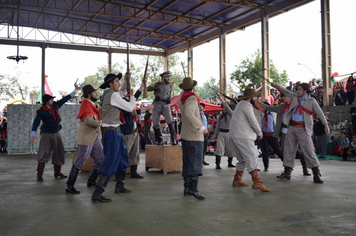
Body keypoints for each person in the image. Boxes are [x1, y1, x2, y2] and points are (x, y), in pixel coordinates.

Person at [270, 82, 330, 184]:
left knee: (309, 151)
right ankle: (287, 172)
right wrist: (277, 86)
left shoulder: (312, 101)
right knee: (288, 150)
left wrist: (326, 124)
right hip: (292, 127)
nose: (298, 91)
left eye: (300, 89)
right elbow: (285, 91)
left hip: (303, 129)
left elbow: (319, 112)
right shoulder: (295, 97)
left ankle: (316, 174)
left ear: (305, 91)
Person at [91, 72, 136, 203]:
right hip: (111, 132)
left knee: (123, 159)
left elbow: (122, 92)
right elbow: (129, 107)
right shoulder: (112, 95)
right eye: (117, 81)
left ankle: (120, 186)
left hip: (115, 131)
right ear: (110, 84)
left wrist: (128, 80)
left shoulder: (109, 94)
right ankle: (97, 193)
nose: (119, 83)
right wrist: (132, 97)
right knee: (111, 161)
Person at [30, 86, 79, 182]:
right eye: (51, 100)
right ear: (47, 101)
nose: (52, 101)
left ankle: (57, 172)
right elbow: (36, 122)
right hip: (46, 133)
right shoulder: (41, 111)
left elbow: (65, 99)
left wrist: (75, 91)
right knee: (43, 153)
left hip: (56, 132)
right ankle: (39, 174)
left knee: (59, 151)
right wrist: (33, 133)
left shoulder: (55, 106)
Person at [256, 94, 311, 176]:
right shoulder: (281, 107)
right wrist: (256, 102)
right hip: (284, 131)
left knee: (301, 151)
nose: (283, 98)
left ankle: (305, 169)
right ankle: (286, 171)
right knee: (285, 151)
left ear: (290, 97)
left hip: (296, 130)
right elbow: (271, 110)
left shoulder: (297, 105)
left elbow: (307, 116)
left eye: (285, 96)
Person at [65, 85, 105, 194]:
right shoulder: (86, 105)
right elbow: (88, 121)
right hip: (87, 136)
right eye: (94, 92)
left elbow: (100, 109)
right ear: (89, 94)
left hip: (94, 136)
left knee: (100, 159)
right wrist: (101, 123)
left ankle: (91, 181)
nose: (95, 94)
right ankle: (69, 185)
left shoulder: (93, 104)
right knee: (80, 161)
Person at [229, 88, 271, 192]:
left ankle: (237, 179)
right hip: (243, 136)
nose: (256, 99)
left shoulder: (240, 104)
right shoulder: (246, 105)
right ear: (250, 98)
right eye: (255, 97)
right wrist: (259, 132)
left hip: (235, 135)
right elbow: (253, 120)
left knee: (242, 159)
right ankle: (257, 182)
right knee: (252, 157)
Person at [177, 77, 208, 200]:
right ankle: (193, 189)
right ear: (193, 87)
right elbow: (189, 113)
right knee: (195, 163)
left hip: (185, 134)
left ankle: (187, 187)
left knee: (188, 162)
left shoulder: (182, 97)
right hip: (194, 135)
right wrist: (201, 127)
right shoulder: (192, 98)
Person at [120, 80, 147, 179]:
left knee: (135, 153)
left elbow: (135, 97)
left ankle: (133, 172)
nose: (130, 95)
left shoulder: (129, 102)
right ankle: (120, 174)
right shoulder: (122, 104)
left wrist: (142, 86)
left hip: (134, 130)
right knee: (124, 152)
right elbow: (129, 108)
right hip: (126, 131)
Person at [147, 71, 176, 145]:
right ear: (163, 78)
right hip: (157, 104)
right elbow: (147, 89)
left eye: (169, 77)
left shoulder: (170, 86)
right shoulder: (158, 85)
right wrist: (151, 86)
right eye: (167, 77)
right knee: (155, 123)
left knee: (170, 121)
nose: (168, 78)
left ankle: (173, 139)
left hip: (166, 105)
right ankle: (159, 139)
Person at [256, 102, 283, 171]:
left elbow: (278, 124)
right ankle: (266, 166)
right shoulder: (260, 114)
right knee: (265, 152)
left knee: (278, 151)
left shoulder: (274, 114)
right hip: (263, 135)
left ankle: (286, 165)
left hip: (272, 135)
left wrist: (278, 135)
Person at [214, 99, 235, 169]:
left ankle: (230, 163)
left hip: (229, 132)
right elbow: (217, 125)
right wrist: (215, 134)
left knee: (230, 149)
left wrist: (221, 99)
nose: (224, 108)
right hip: (221, 133)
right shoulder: (221, 115)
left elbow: (228, 108)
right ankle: (217, 164)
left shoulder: (231, 114)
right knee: (219, 149)